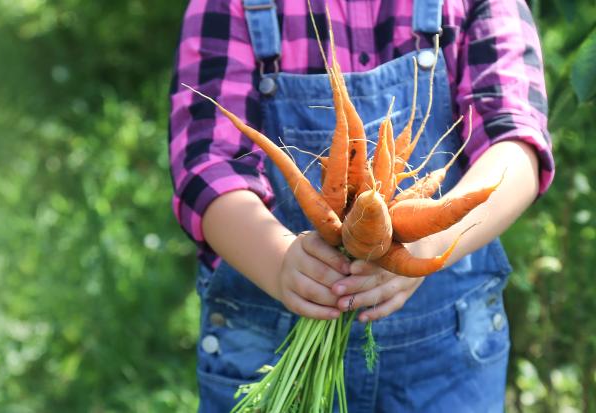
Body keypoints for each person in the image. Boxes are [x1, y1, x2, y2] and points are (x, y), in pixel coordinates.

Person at [168, 0, 553, 411]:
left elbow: (516, 144)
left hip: (444, 363)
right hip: (269, 343)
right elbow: (207, 165)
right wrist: (279, 261)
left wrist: (428, 243)